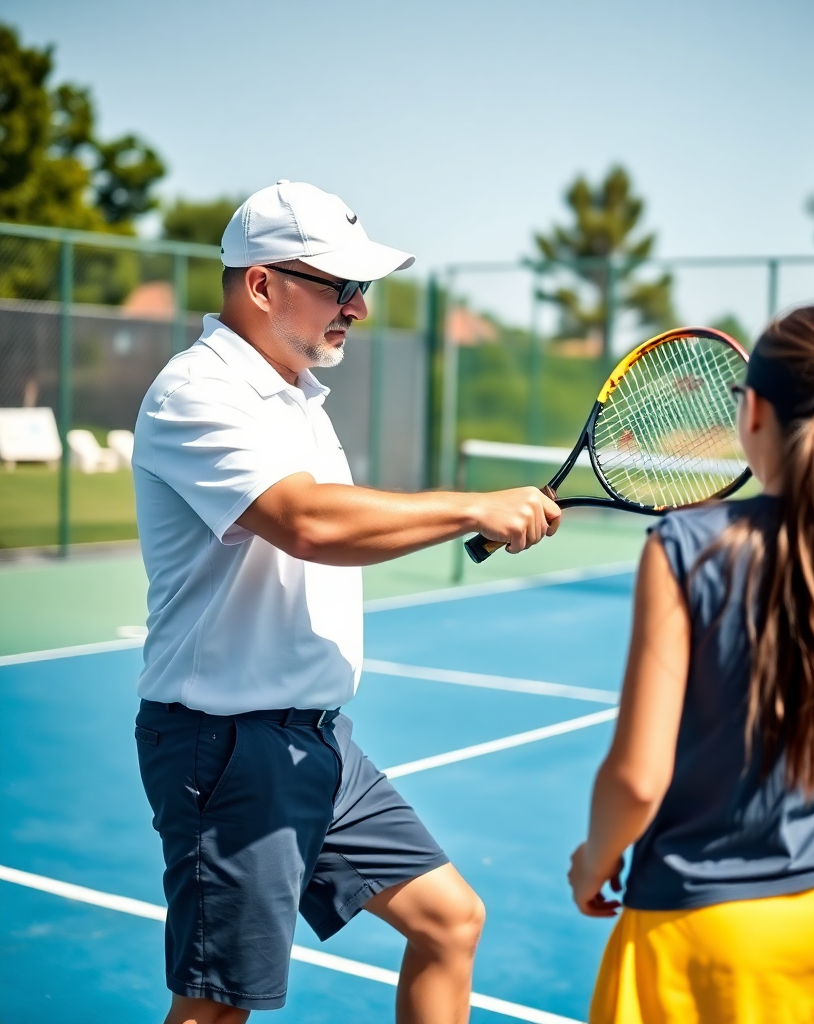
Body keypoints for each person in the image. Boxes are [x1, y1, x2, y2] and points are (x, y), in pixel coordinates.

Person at [131, 180, 560, 1024]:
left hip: (316, 744)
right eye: (339, 286)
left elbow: (339, 529)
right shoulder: (196, 394)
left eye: (362, 289)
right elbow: (306, 522)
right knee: (217, 1008)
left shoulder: (295, 398)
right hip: (228, 747)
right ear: (261, 285)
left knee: (449, 922)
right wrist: (470, 507)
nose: (358, 309)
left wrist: (455, 519)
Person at [568, 306, 814, 1024]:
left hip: (692, 931)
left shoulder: (686, 547)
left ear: (755, 411)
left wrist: (593, 862)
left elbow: (638, 779)